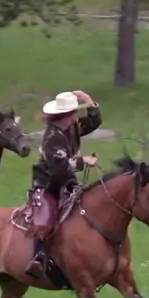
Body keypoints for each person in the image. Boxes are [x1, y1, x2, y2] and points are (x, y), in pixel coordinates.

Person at [25, 90, 102, 279]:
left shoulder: (72, 128)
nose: (77, 116)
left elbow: (94, 122)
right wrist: (83, 161)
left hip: (67, 181)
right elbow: (59, 168)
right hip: (48, 183)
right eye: (74, 112)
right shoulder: (52, 137)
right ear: (66, 116)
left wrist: (90, 102)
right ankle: (39, 256)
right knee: (46, 214)